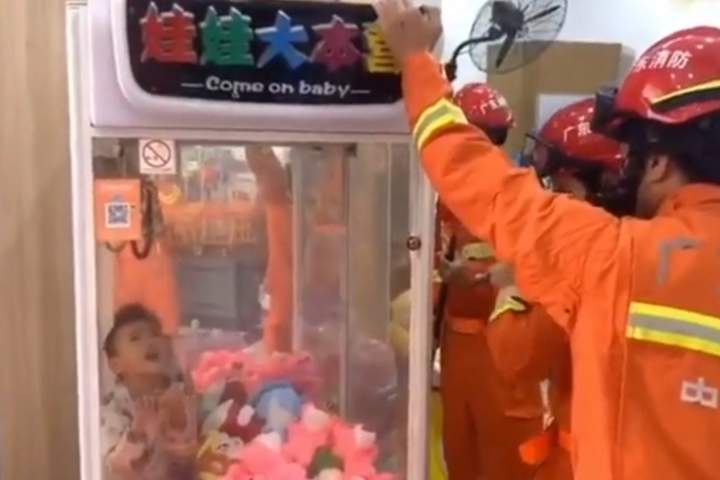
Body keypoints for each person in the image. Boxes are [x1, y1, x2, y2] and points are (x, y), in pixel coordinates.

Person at [373, 5, 720, 477]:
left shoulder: (613, 256)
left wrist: (417, 65)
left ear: (658, 163)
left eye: (632, 157)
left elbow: (482, 181)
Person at [484, 98, 626, 480]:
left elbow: (516, 358)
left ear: (606, 187)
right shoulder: (662, 248)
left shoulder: (589, 264)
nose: (555, 207)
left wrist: (518, 281)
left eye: (562, 190)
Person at [435, 83, 542, 480]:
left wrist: (483, 279)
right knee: (459, 451)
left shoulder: (521, 195)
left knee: (505, 458)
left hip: (501, 349)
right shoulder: (444, 196)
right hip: (455, 346)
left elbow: (538, 275)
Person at [101, 304, 196, 480]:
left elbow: (188, 457)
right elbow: (114, 468)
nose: (150, 341)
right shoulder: (113, 410)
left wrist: (179, 419)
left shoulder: (177, 394)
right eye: (135, 338)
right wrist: (136, 433)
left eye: (155, 334)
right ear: (116, 365)